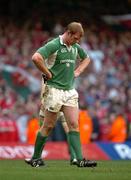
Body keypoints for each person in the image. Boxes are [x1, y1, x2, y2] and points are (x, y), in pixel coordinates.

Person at [25, 22, 97, 168]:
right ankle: (36, 158)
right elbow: (36, 57)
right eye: (75, 38)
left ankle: (80, 159)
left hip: (70, 91)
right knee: (48, 126)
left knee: (73, 124)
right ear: (68, 33)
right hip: (54, 91)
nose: (77, 42)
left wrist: (78, 71)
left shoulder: (75, 47)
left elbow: (87, 58)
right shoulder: (54, 45)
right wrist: (47, 73)